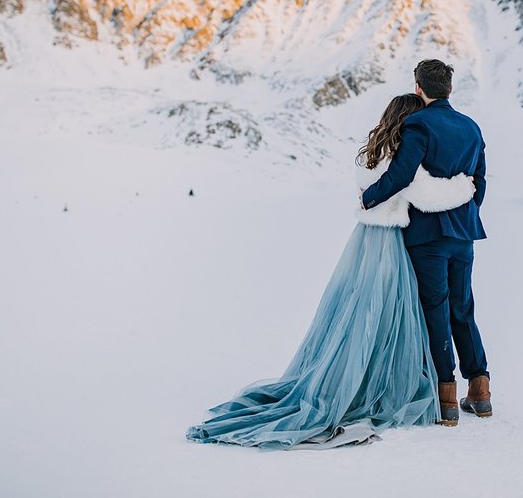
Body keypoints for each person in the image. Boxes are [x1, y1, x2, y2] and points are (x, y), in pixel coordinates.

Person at [186, 93, 477, 449]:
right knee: (401, 313)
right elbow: (421, 190)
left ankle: (364, 373)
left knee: (361, 310)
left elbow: (374, 188)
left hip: (365, 242)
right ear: (409, 122)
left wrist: (369, 199)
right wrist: (465, 186)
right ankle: (412, 383)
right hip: (392, 244)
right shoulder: (405, 158)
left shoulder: (371, 152)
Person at [360, 59, 491, 426]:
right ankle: (480, 390)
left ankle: (445, 395)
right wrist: (466, 213)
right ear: (449, 88)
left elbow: (402, 174)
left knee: (435, 308)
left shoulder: (418, 123)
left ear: (419, 87)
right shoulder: (471, 127)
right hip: (463, 232)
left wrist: (369, 197)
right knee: (463, 308)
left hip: (427, 234)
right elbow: (480, 181)